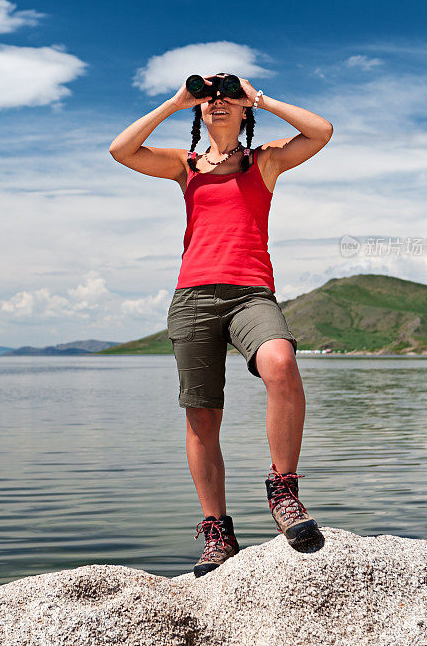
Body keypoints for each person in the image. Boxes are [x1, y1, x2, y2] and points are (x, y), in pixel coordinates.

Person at [109, 73, 333, 577]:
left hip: (251, 292)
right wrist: (176, 100)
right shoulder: (183, 166)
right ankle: (217, 533)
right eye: (210, 98)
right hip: (192, 298)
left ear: (245, 109)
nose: (219, 102)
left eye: (230, 95)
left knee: (280, 362)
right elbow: (121, 150)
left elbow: (321, 131)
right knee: (202, 416)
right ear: (199, 111)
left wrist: (261, 97)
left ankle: (283, 490)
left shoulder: (264, 160)